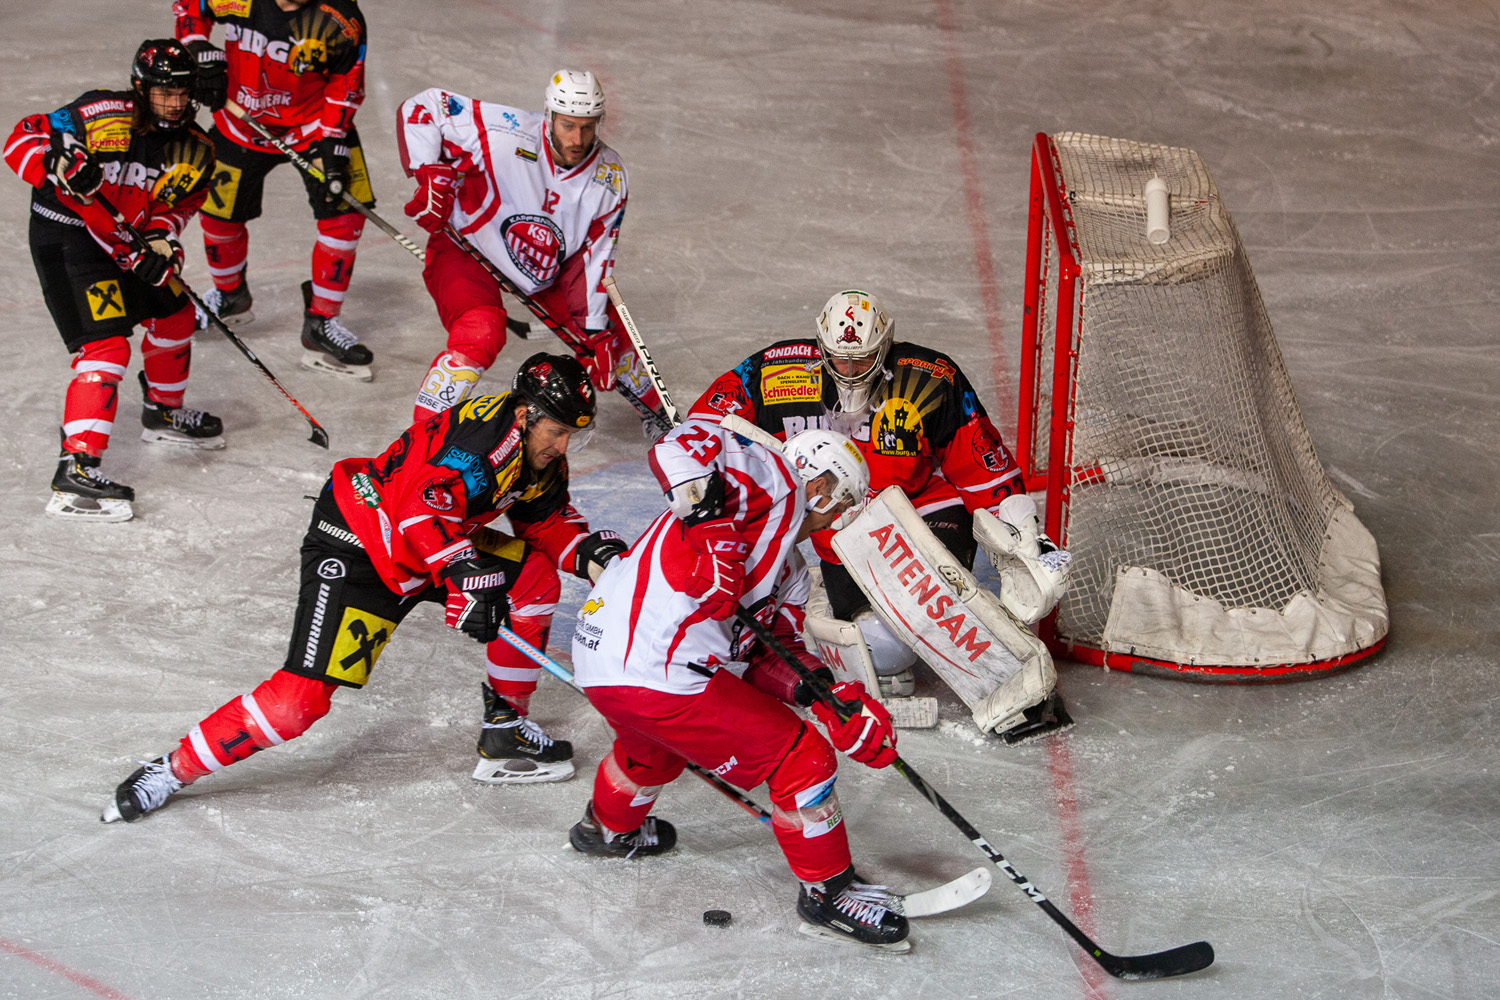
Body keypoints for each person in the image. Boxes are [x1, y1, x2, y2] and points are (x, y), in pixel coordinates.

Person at [102, 353, 631, 823]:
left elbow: (544, 521)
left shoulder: (535, 450)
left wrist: (589, 554)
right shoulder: (479, 445)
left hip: (430, 544)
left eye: (573, 435)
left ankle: (505, 729)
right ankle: (170, 770)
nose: (563, 446)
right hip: (359, 548)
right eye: (557, 432)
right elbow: (417, 510)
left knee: (532, 578)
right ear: (525, 414)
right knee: (295, 705)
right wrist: (466, 575)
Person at [570, 417, 912, 951]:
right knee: (801, 758)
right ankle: (828, 895)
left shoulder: (790, 570)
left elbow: (768, 656)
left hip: (602, 664)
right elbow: (678, 442)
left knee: (653, 752)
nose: (838, 519)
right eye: (843, 504)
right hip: (655, 669)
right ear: (822, 486)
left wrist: (826, 696)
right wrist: (713, 532)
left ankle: (607, 828)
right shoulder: (771, 482)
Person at [687, 289, 1069, 741]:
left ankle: (1017, 685)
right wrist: (697, 455)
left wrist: (1022, 533)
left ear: (884, 346)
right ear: (821, 346)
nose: (849, 371)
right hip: (842, 530)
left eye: (863, 359)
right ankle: (886, 631)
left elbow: (983, 463)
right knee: (884, 648)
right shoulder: (777, 372)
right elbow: (707, 420)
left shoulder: (931, 377)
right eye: (839, 359)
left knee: (931, 601)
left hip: (922, 508)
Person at [5, 39, 223, 523]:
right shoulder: (102, 114)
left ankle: (162, 412)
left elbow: (176, 208)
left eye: (182, 93)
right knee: (106, 347)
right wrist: (55, 164)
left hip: (125, 242)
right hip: (69, 238)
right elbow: (20, 139)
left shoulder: (198, 149)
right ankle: (76, 468)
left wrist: (161, 245)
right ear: (140, 89)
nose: (174, 102)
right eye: (163, 92)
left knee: (176, 313)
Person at [396, 71, 663, 427]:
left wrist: (595, 331)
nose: (578, 139)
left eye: (588, 127)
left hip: (546, 267)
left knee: (611, 338)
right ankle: (424, 435)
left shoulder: (609, 176)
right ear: (549, 115)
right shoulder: (505, 132)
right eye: (568, 125)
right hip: (468, 248)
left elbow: (594, 257)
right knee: (480, 331)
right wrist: (430, 173)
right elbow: (425, 107)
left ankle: (659, 419)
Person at [173, 0, 376, 379]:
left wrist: (334, 138)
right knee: (218, 214)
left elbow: (347, 79)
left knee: (346, 216)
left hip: (315, 127)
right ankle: (230, 296)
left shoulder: (340, 16)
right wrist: (195, 45)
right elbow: (190, 6)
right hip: (240, 121)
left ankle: (321, 322)